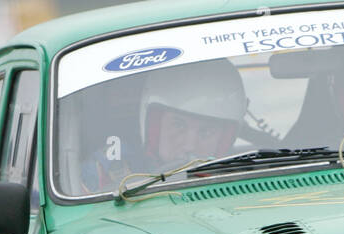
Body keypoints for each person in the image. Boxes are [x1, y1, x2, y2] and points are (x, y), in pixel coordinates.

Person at [78, 58, 247, 194]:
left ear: (225, 139)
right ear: (154, 126)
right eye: (178, 125)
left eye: (206, 131)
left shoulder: (249, 175)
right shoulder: (105, 170)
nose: (189, 144)